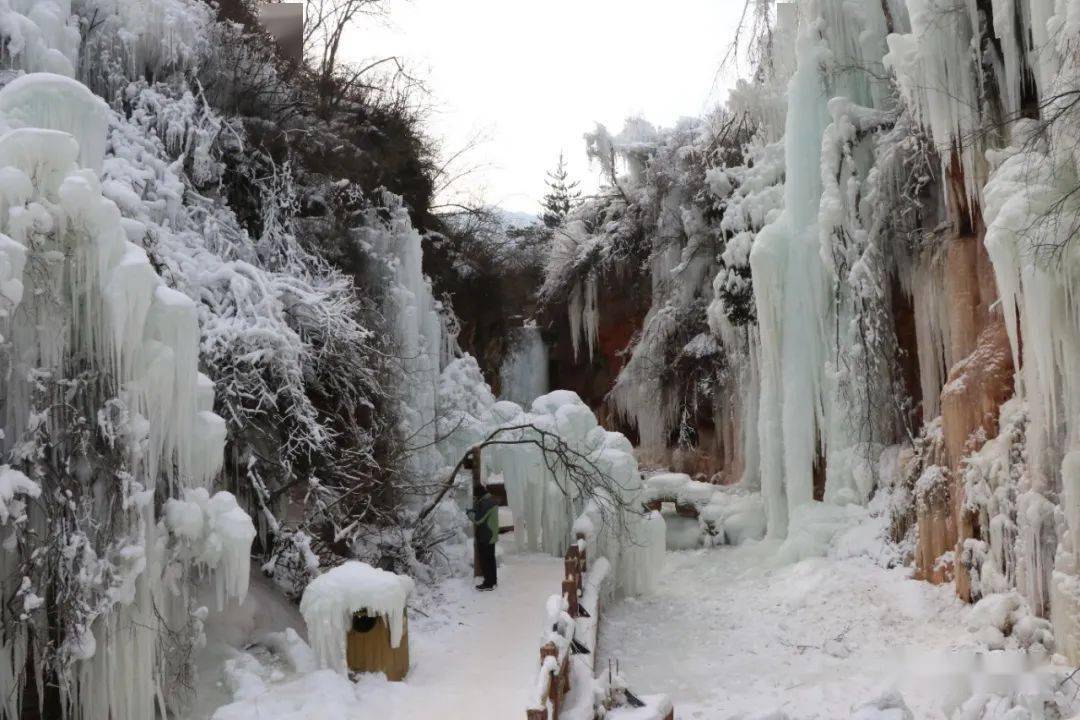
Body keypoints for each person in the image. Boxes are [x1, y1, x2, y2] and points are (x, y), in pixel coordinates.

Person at [469, 488, 499, 590]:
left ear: (479, 495)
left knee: (485, 560)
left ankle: (488, 583)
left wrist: (469, 513)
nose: (475, 499)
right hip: (491, 535)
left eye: (476, 497)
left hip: (486, 536)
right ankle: (493, 581)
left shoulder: (486, 504)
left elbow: (478, 520)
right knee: (490, 559)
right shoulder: (490, 501)